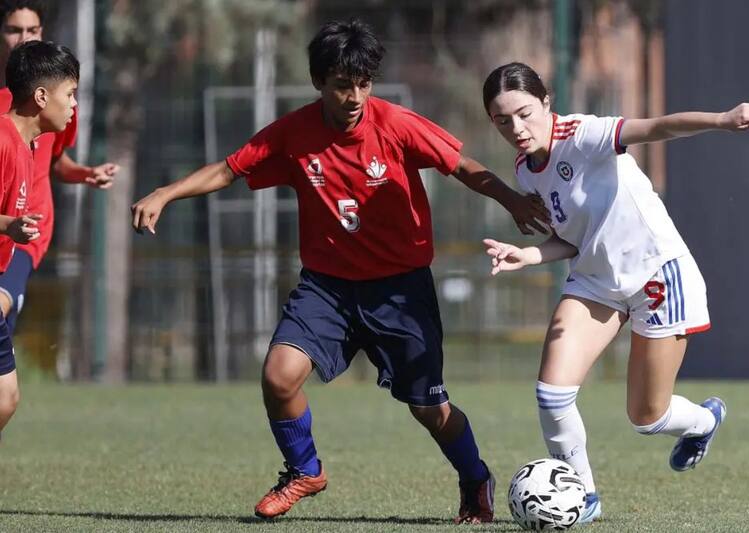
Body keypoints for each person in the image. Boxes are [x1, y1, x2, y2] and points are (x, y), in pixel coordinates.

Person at [131, 19, 550, 524]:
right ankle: (304, 470)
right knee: (278, 377)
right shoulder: (294, 133)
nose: (355, 96)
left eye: (363, 84)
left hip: (400, 292)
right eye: (342, 85)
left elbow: (460, 164)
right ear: (319, 83)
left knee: (428, 410)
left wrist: (511, 201)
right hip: (327, 289)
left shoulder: (395, 124)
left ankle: (474, 476)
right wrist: (165, 193)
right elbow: (229, 169)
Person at [481, 62, 749, 523]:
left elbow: (656, 127)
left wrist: (721, 119)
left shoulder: (584, 134)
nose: (517, 128)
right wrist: (529, 256)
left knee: (647, 417)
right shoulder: (527, 172)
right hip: (597, 281)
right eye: (502, 121)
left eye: (525, 113)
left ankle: (704, 421)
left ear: (547, 103)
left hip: (657, 275)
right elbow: (574, 237)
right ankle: (585, 499)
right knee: (552, 394)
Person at [0, 0, 117, 334]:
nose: (23, 38)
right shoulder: (9, 126)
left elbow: (55, 163)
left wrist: (84, 174)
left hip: (26, 235)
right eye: (14, 30)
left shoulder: (58, 102)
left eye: (32, 30)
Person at [0, 40, 79, 433]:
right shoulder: (2, 141)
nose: (74, 105)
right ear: (41, 95)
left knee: (6, 397)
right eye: (71, 94)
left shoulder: (27, 145)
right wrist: (6, 225)